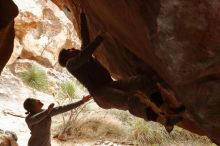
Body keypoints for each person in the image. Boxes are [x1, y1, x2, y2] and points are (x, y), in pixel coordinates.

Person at [58, 12, 183, 132]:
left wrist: (82, 14)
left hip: (110, 84)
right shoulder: (70, 65)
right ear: (67, 57)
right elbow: (85, 54)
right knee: (130, 100)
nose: (73, 48)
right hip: (100, 93)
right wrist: (101, 37)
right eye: (70, 50)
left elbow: (85, 39)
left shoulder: (80, 58)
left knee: (141, 81)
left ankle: (165, 108)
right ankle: (164, 121)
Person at [23, 96, 91, 146]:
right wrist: (47, 112)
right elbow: (35, 119)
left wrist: (82, 101)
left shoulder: (47, 112)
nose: (38, 100)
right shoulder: (29, 119)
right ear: (32, 107)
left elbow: (64, 108)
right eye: (36, 101)